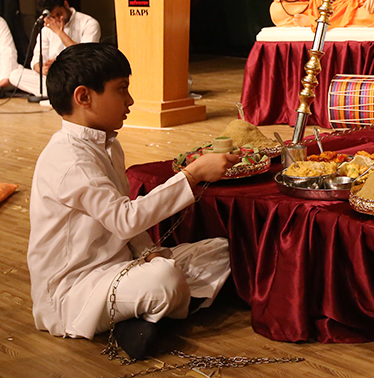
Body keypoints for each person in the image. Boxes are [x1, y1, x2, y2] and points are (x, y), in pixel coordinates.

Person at [27, 43, 238, 360]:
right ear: (84, 97)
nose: (130, 101)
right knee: (164, 280)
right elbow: (125, 219)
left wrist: (150, 251)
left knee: (223, 249)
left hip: (120, 266)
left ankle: (145, 315)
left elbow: (122, 224)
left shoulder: (107, 144)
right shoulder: (68, 160)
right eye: (121, 90)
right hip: (74, 290)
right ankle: (144, 313)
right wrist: (192, 175)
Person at [11, 0, 101, 98]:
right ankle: (62, 95)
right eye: (52, 17)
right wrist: (43, 69)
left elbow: (85, 56)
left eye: (59, 14)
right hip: (54, 78)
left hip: (76, 76)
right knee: (15, 75)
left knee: (86, 79)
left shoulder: (89, 23)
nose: (57, 19)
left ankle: (59, 95)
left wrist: (59, 32)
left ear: (66, 5)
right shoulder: (46, 29)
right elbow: (35, 61)